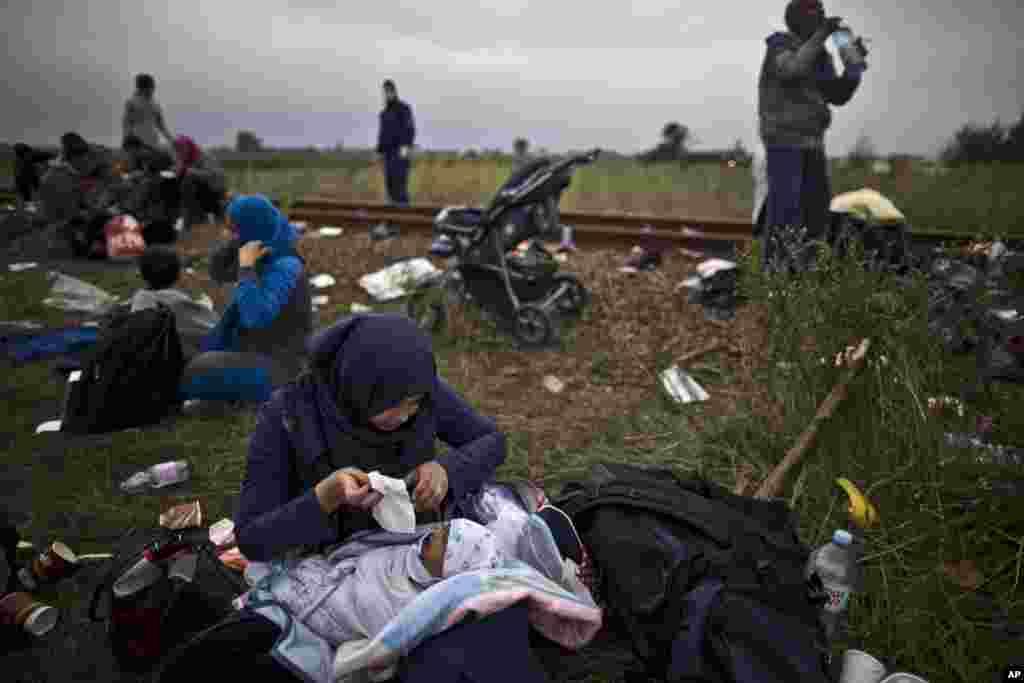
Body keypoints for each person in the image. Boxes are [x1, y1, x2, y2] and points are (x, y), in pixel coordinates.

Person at [757, 0, 867, 271]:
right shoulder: (779, 45)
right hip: (783, 141)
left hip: (812, 142)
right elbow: (791, 70)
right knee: (786, 212)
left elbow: (837, 95)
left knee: (817, 212)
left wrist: (854, 69)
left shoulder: (819, 56)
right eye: (814, 13)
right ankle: (777, 272)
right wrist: (821, 36)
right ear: (798, 18)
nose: (820, 17)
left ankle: (807, 269)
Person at [179, 195, 312, 404]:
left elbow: (254, 316)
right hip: (251, 347)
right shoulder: (263, 244)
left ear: (251, 228)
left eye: (234, 229)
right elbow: (218, 271)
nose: (229, 234)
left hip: (280, 365)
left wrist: (246, 269)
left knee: (198, 369)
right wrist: (239, 242)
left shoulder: (285, 265)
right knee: (184, 340)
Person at [131, 246, 219, 361]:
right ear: (179, 275)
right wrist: (214, 297)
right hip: (178, 373)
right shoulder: (180, 305)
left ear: (143, 276)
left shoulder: (138, 301)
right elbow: (220, 333)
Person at [173, 135, 228, 232]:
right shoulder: (183, 160)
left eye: (182, 148)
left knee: (188, 179)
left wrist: (191, 172)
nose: (181, 152)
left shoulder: (204, 157)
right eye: (178, 149)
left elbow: (214, 176)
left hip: (214, 193)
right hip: (197, 195)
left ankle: (195, 220)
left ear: (189, 147)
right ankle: (187, 220)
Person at [376, 79, 416, 207]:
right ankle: (393, 221)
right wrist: (379, 151)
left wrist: (406, 148)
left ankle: (405, 218)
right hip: (388, 155)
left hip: (400, 153)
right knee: (390, 187)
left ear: (394, 92)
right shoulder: (384, 113)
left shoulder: (404, 109)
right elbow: (382, 134)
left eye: (389, 91)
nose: (387, 94)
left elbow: (410, 129)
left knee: (400, 187)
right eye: (385, 92)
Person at [122, 73, 175, 151]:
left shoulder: (156, 105)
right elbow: (126, 123)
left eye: (153, 87)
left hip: (153, 143)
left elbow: (161, 125)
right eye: (150, 87)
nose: (152, 90)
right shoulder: (131, 102)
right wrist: (127, 138)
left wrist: (172, 140)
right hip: (136, 143)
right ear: (141, 88)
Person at [12, 143, 57, 211]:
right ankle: (33, 206)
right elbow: (43, 156)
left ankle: (30, 206)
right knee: (32, 193)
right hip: (26, 179)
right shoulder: (27, 156)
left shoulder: (19, 159)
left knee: (27, 195)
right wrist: (53, 155)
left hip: (23, 179)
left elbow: (42, 156)